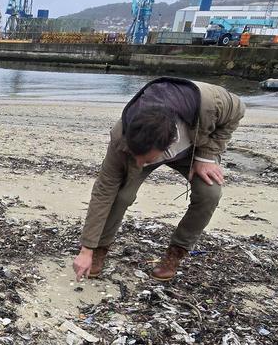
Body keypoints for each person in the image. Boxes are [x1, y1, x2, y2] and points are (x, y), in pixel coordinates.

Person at [72, 77, 245, 281]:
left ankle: (176, 253)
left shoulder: (210, 102)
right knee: (121, 195)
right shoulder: (121, 138)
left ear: (169, 144)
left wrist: (206, 156)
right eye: (136, 157)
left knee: (210, 192)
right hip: (142, 147)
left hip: (193, 148)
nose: (139, 163)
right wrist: (87, 249)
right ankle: (100, 248)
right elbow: (103, 191)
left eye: (145, 159)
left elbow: (238, 110)